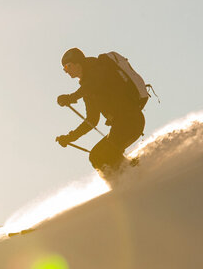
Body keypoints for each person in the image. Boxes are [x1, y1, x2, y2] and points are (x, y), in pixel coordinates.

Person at [55, 47, 145, 178]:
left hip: (131, 120)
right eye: (65, 69)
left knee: (103, 155)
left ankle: (135, 180)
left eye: (68, 67)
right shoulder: (87, 89)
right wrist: (71, 137)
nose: (67, 72)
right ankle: (134, 175)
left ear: (78, 63)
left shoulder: (98, 69)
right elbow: (92, 120)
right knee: (96, 156)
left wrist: (71, 97)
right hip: (121, 125)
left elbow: (93, 84)